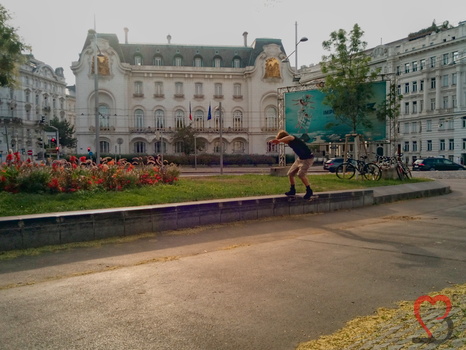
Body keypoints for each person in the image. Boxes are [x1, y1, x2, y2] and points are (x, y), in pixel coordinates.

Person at [269, 130, 315, 199]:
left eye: (284, 141)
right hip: (300, 159)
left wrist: (279, 140)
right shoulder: (289, 142)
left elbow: (289, 137)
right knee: (290, 173)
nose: (284, 142)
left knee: (300, 174)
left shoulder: (293, 139)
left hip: (308, 159)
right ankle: (292, 190)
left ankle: (309, 190)